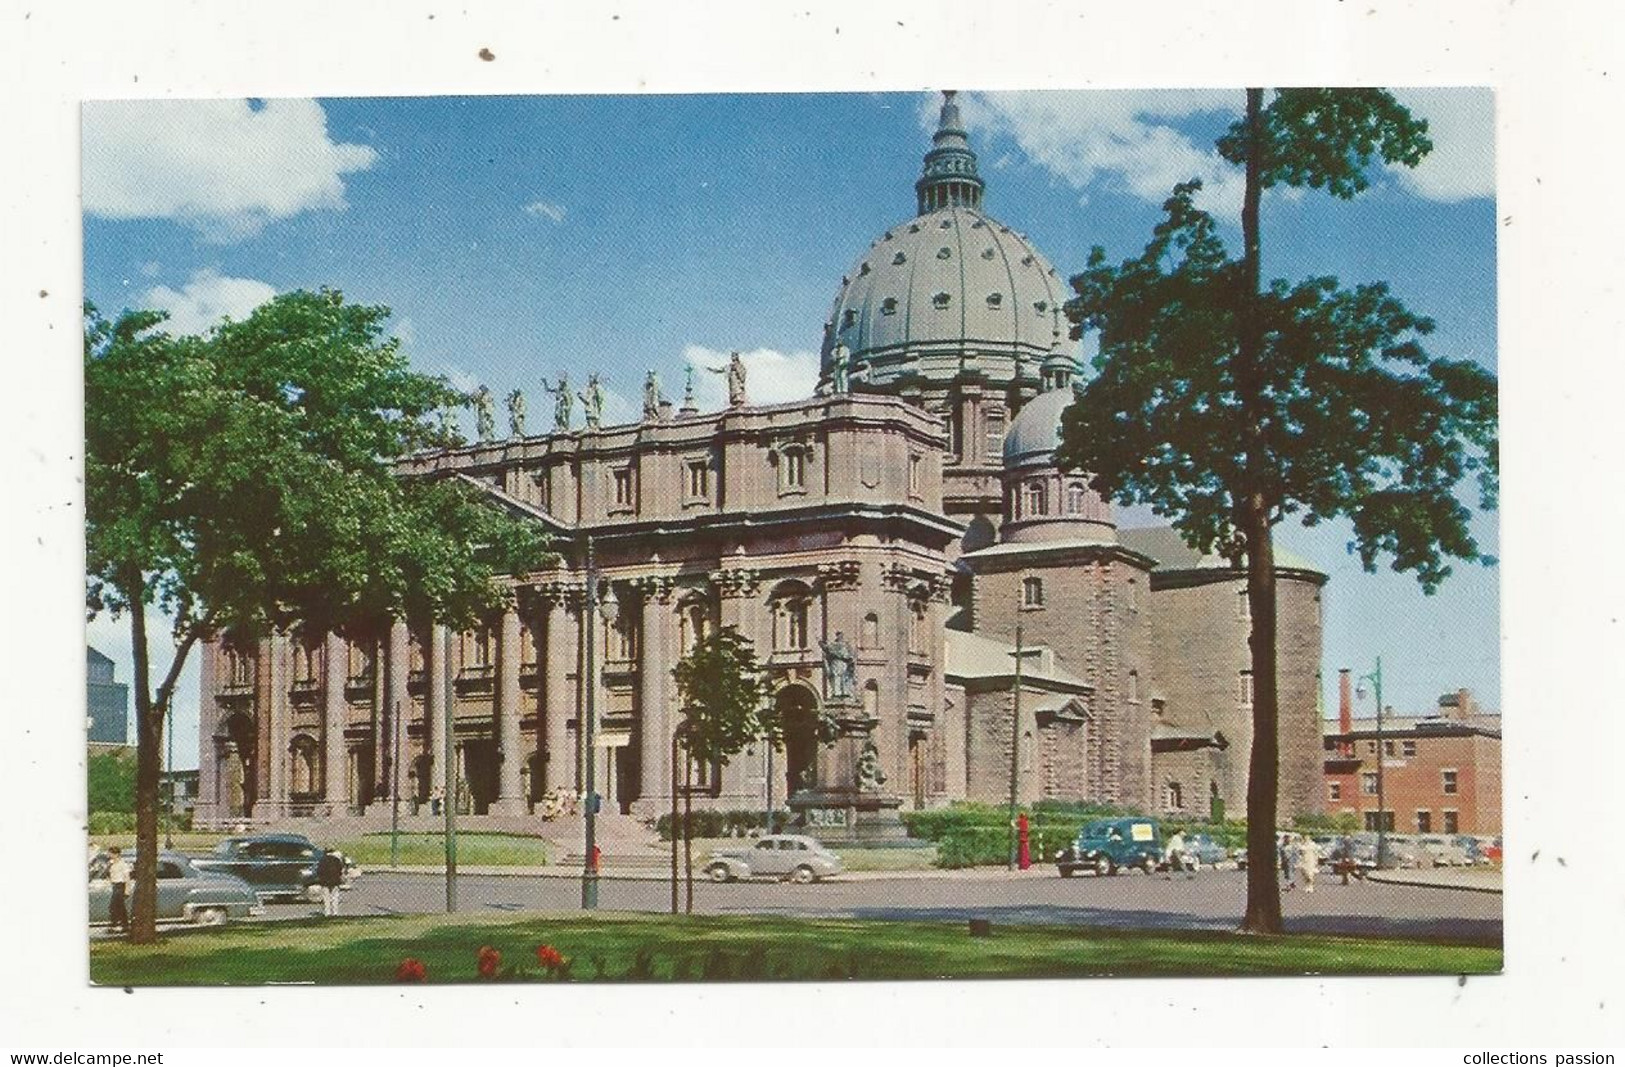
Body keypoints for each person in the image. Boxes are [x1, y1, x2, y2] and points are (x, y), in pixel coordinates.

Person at [106, 847, 131, 935]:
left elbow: (127, 877)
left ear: (116, 854)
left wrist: (127, 889)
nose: (109, 855)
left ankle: (115, 924)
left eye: (110, 853)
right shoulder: (111, 863)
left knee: (114, 906)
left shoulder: (123, 864)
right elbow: (109, 874)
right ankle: (124, 925)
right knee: (119, 907)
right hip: (114, 885)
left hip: (120, 885)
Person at [316, 849, 346, 917]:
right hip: (335, 881)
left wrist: (320, 879)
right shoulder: (336, 860)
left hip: (325, 881)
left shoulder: (323, 860)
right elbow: (340, 870)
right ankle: (335, 912)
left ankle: (327, 912)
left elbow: (319, 871)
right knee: (335, 897)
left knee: (326, 898)